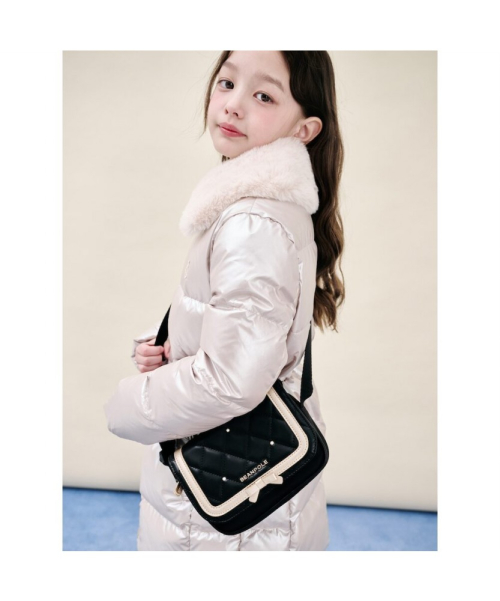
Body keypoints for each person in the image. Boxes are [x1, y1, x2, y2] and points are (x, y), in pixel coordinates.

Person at [104, 50, 345, 551]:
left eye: (264, 95)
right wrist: (172, 349)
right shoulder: (261, 207)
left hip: (224, 521)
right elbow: (245, 338)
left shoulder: (253, 222)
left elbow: (230, 381)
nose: (233, 104)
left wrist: (127, 404)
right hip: (245, 496)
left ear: (304, 129)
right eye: (227, 83)